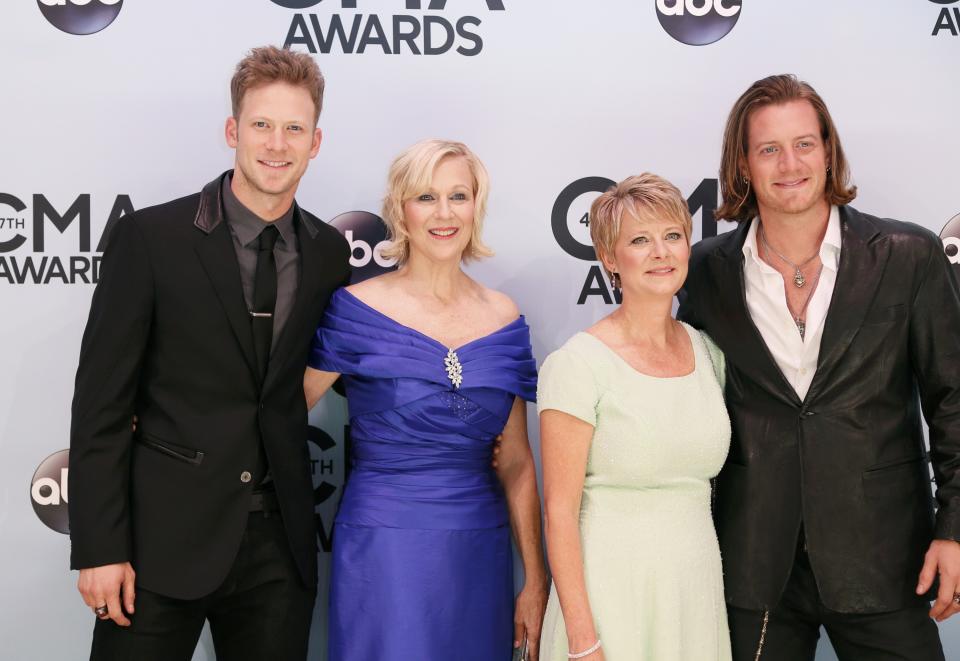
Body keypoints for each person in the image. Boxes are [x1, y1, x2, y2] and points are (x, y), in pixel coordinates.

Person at [68, 46, 349, 660]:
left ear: (316, 141)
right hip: (156, 544)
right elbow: (100, 408)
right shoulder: (151, 238)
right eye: (262, 125)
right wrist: (98, 547)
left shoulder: (329, 252)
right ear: (233, 131)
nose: (277, 144)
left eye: (294, 128)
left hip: (279, 547)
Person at [678, 73, 960, 660]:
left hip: (885, 556)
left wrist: (954, 527)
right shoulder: (704, 271)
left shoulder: (908, 256)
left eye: (804, 143)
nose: (790, 164)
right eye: (769, 149)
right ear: (743, 164)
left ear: (828, 151)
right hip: (752, 563)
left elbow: (953, 399)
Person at [303, 138, 547, 661]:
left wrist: (535, 578)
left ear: (476, 206)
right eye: (426, 197)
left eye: (458, 196)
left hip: (479, 547)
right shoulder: (355, 308)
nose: (444, 213)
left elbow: (519, 464)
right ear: (400, 210)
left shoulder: (504, 316)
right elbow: (279, 415)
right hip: (384, 546)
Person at [537, 173, 732, 660]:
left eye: (672, 236)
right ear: (609, 259)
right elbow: (559, 514)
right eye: (640, 240)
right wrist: (583, 640)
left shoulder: (710, 354)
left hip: (695, 595)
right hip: (609, 600)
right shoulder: (577, 365)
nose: (660, 252)